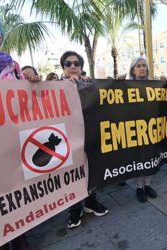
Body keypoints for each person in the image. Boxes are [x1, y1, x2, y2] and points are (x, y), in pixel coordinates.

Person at [0, 12, 41, 250]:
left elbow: (31, 106)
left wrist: (33, 82)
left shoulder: (14, 69)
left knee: (14, 192)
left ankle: (20, 235)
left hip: (12, 145)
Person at [60, 51, 109, 229]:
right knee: (72, 174)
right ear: (63, 67)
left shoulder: (89, 85)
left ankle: (90, 202)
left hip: (89, 137)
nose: (72, 66)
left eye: (76, 63)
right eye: (68, 64)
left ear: (81, 67)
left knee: (90, 170)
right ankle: (74, 209)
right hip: (66, 141)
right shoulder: (53, 87)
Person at [127, 57, 158, 202]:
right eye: (138, 66)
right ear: (133, 70)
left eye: (144, 65)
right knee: (139, 157)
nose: (142, 68)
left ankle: (148, 184)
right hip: (135, 128)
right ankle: (139, 187)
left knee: (150, 156)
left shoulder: (154, 84)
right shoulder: (126, 85)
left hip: (151, 126)